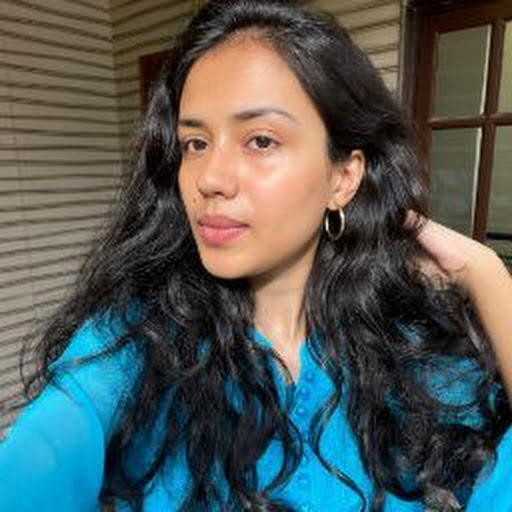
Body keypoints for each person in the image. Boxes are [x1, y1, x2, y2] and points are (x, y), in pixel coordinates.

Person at [1, 1, 511, 511]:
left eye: (260, 141)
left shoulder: (407, 344)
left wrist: (487, 276)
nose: (209, 178)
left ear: (343, 177)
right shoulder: (136, 340)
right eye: (195, 143)